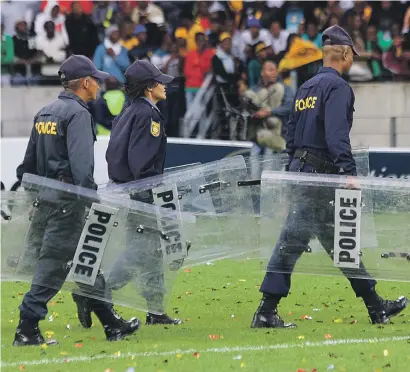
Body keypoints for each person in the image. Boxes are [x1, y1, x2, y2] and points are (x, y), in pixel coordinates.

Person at [251, 25, 408, 329]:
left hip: (302, 171)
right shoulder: (338, 88)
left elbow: (291, 138)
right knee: (295, 241)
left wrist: (292, 176)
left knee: (338, 243)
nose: (352, 62)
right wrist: (349, 173)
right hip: (320, 174)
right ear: (345, 53)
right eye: (352, 56)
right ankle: (266, 310)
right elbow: (337, 135)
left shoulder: (305, 87)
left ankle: (375, 305)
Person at [13, 55, 141, 346]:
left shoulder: (45, 112)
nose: (98, 84)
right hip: (68, 204)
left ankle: (111, 323)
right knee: (55, 266)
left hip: (46, 202)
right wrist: (91, 202)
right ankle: (27, 327)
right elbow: (82, 170)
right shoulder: (78, 114)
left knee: (87, 262)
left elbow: (26, 169)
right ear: (84, 83)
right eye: (95, 79)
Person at [77, 60, 183, 327]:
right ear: (149, 87)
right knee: (140, 251)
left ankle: (156, 311)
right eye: (159, 81)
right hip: (140, 193)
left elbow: (115, 155)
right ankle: (95, 293)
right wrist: (148, 194)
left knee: (152, 252)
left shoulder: (128, 110)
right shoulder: (149, 115)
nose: (164, 86)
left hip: (124, 189)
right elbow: (141, 162)